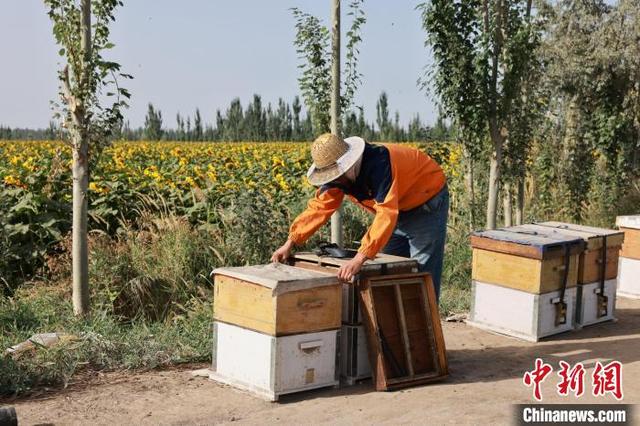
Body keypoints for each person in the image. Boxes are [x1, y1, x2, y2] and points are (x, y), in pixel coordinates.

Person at [271, 133, 449, 301]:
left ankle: (427, 329)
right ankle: (397, 330)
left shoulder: (380, 163)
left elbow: (386, 212)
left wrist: (359, 258)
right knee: (390, 271)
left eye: (337, 175)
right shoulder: (339, 180)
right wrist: (290, 242)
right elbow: (319, 208)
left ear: (348, 163)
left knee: (422, 273)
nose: (335, 180)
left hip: (426, 201)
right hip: (395, 208)